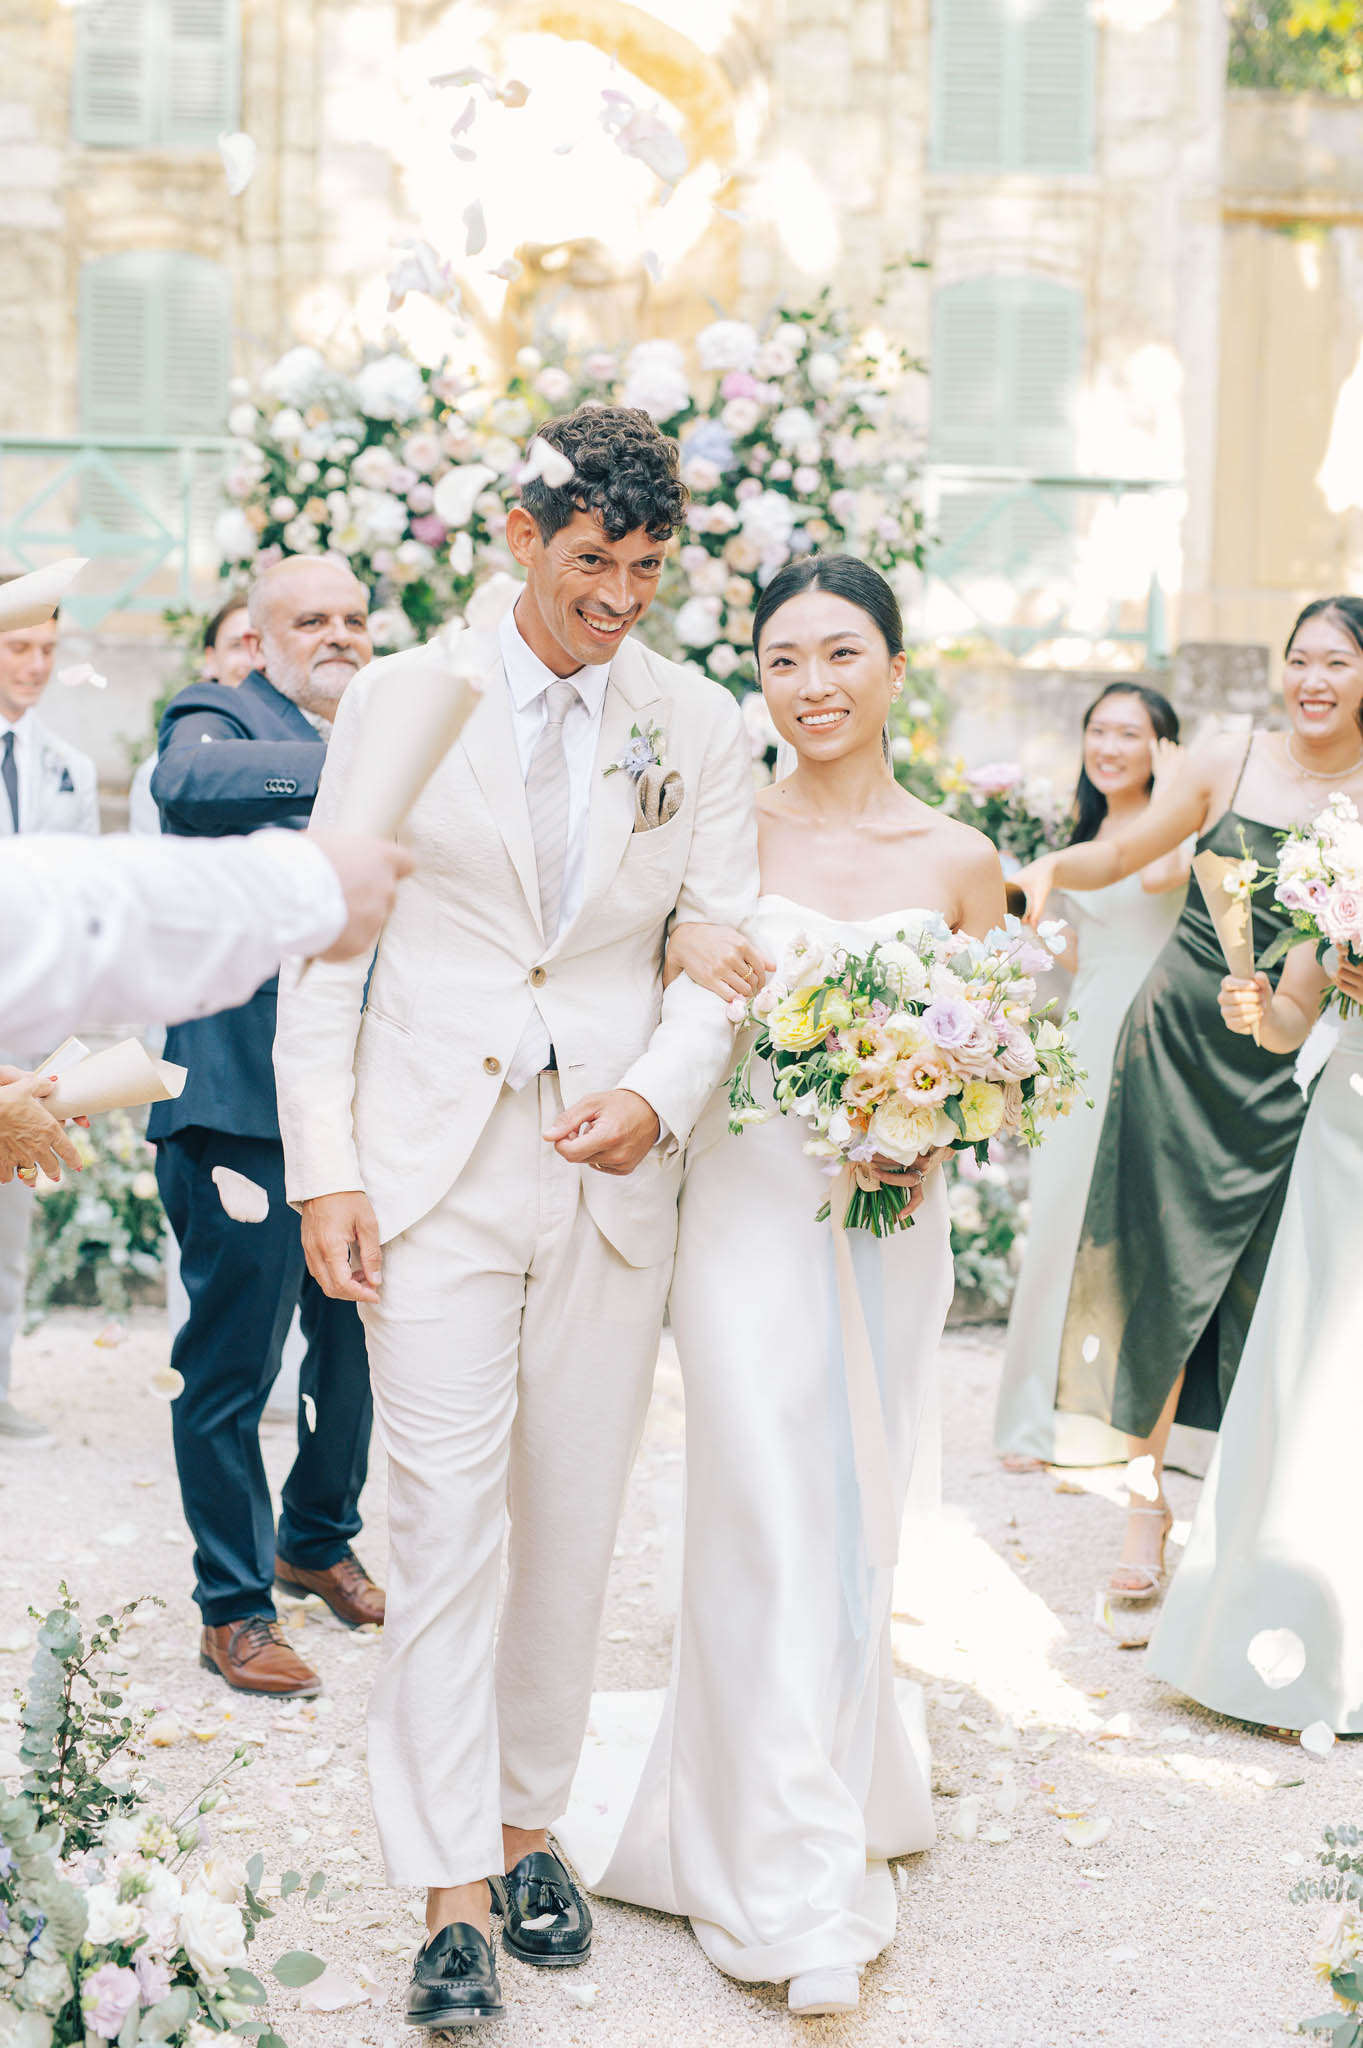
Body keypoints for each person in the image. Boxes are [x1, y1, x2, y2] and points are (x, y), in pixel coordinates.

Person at [273, 406, 759, 2030]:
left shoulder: (693, 721)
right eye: (589, 563)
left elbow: (723, 939)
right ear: (517, 537)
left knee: (568, 1525)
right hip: (433, 1167)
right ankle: (449, 1890)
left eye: (644, 566)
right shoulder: (413, 696)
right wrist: (323, 1163)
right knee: (442, 1522)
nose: (618, 595)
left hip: (608, 1169)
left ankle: (528, 1817)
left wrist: (665, 1088)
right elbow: (325, 935)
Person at [557, 556, 1006, 2019]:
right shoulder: (716, 837)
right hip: (746, 1208)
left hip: (885, 1229)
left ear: (893, 664)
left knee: (855, 1511)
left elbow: (994, 1060)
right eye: (782, 659)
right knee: (757, 1497)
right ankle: (785, 1874)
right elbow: (633, 995)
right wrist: (681, 942)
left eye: (840, 654)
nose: (810, 686)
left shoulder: (955, 856)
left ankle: (828, 1770)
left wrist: (927, 1131)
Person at [1015, 596, 1363, 1606]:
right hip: (1177, 1040)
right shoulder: (1226, 756)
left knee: (1270, 1286)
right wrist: (1045, 870)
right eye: (1296, 658)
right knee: (1160, 1269)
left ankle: (1251, 1519)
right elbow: (1121, 852)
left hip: (1300, 1060)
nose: (1310, 680)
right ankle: (1142, 1503)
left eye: (1335, 663)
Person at [149, 555, 384, 1698]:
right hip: (236, 1101)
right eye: (310, 619)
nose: (336, 634)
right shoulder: (221, 717)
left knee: (355, 1352)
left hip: (359, 1103)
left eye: (353, 618)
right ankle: (232, 1605)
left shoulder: (390, 738)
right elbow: (184, 788)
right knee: (232, 1366)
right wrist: (370, 760)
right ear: (257, 633)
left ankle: (316, 1535)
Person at [1148, 939, 1363, 1732]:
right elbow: (1294, 1015)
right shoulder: (1345, 838)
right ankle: (1284, 1640)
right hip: (1345, 1129)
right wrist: (1262, 1012)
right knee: (1315, 1366)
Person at [994, 682, 1188, 1471]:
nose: (1108, 747)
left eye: (1129, 734)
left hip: (1166, 1035)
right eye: (1097, 731)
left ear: (1160, 748)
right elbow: (1077, 954)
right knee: (1061, 1220)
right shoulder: (1084, 831)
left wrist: (1179, 788)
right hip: (1088, 1029)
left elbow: (1156, 880)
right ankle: (1037, 1417)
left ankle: (1145, 1427)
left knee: (1153, 1226)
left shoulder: (1176, 822)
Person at [0, 573, 100, 1445]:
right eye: (17, 648)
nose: (34, 667)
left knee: (10, 1219)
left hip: (21, 1023)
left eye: (46, 652)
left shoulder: (70, 766)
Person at [128, 597, 252, 835]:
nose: (251, 661)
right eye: (237, 646)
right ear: (211, 659)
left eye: (261, 645)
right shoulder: (164, 771)